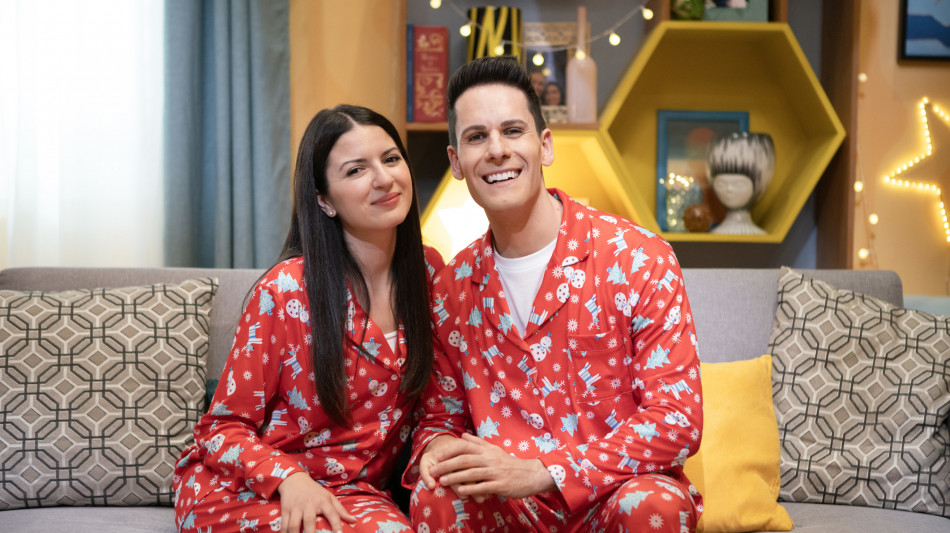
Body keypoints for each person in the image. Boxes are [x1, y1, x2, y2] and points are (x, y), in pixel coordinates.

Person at [403, 56, 703, 532]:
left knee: (657, 504)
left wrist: (545, 472)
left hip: (614, 496)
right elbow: (439, 417)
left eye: (512, 130)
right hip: (507, 509)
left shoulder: (640, 258)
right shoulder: (450, 290)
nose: (497, 150)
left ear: (544, 145)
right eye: (477, 137)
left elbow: (677, 420)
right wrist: (438, 448)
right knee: (435, 494)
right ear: (456, 162)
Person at [172, 104, 443, 533]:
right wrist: (289, 479)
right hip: (248, 488)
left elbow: (439, 406)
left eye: (391, 159)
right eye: (356, 170)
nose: (384, 178)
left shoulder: (431, 275)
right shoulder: (285, 290)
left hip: (354, 493)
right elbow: (222, 428)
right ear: (324, 200)